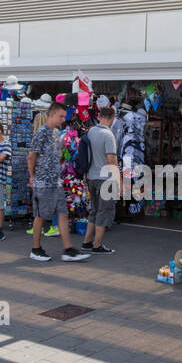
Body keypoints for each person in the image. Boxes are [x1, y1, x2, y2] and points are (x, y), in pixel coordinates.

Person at [27, 101, 90, 262]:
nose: (63, 119)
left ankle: (68, 249)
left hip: (56, 182)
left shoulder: (56, 132)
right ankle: (35, 249)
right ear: (52, 114)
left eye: (64, 116)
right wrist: (32, 177)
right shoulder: (41, 132)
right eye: (61, 116)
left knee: (63, 214)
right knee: (40, 216)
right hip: (43, 182)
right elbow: (31, 156)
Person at [81, 106, 119, 254]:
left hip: (91, 176)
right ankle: (97, 245)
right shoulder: (108, 135)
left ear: (99, 116)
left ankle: (86, 242)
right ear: (112, 118)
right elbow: (111, 160)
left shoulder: (91, 131)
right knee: (104, 211)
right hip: (105, 179)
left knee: (94, 211)